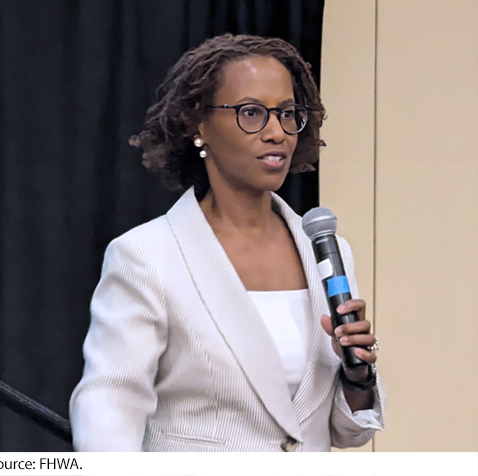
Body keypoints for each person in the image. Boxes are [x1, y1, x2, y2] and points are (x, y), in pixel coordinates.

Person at [69, 33, 385, 452]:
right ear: (199, 124)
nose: (277, 132)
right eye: (251, 112)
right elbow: (108, 410)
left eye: (288, 113)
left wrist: (357, 376)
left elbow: (349, 431)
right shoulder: (148, 256)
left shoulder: (326, 252)